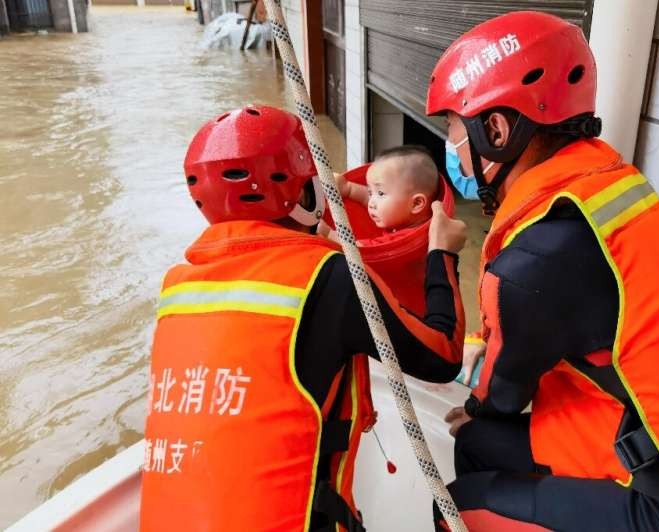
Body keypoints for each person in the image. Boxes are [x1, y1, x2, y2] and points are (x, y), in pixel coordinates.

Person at [425, 11, 659, 532]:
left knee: (459, 507)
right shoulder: (639, 214)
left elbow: (501, 396)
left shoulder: (533, 263)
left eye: (453, 130)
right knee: (478, 443)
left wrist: (476, 401)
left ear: (494, 129)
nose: (452, 150)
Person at [139, 105, 468, 532]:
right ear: (304, 191)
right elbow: (441, 356)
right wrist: (442, 253)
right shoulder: (328, 277)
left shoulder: (177, 287)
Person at [319, 145, 440, 242]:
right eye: (371, 192)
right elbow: (367, 198)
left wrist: (328, 233)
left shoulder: (407, 239)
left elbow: (358, 252)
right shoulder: (406, 217)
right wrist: (348, 188)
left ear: (416, 203)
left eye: (381, 193)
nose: (371, 203)